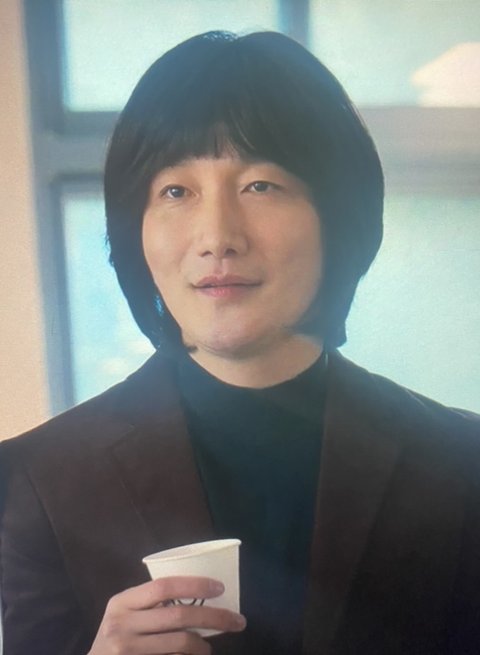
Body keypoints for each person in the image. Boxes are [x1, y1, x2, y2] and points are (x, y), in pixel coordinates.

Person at [1, 29, 479, 655]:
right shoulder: (36, 481)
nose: (218, 237)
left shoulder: (460, 464)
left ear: (338, 218)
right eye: (176, 191)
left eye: (261, 185)